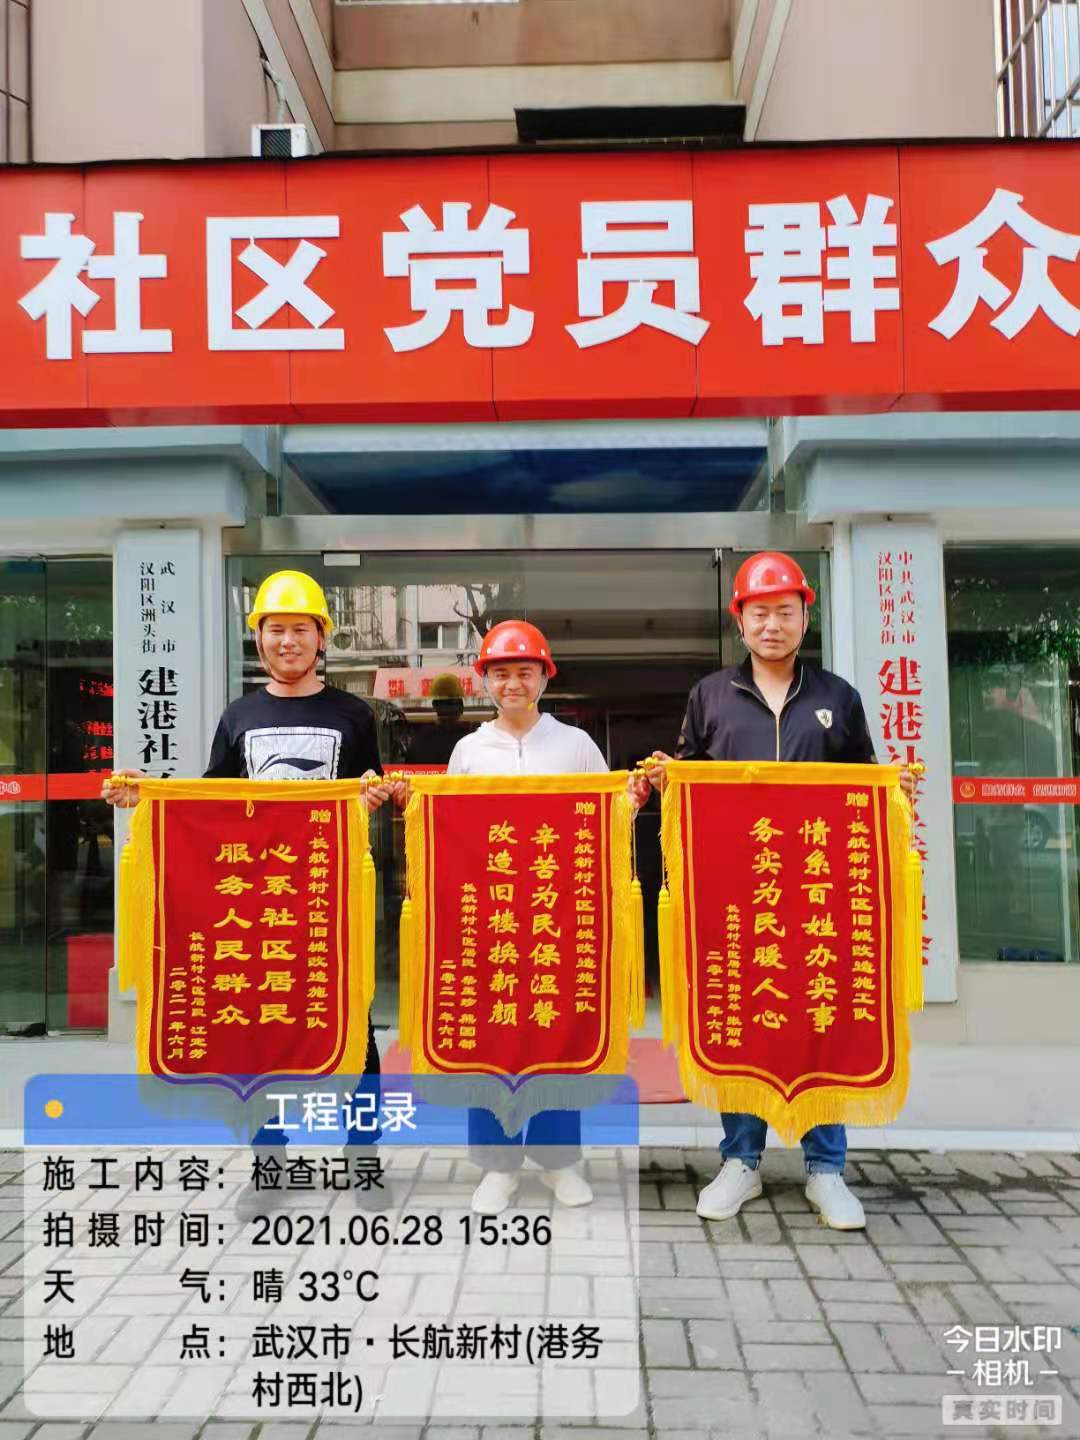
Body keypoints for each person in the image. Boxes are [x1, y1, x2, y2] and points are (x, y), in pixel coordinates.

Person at [102, 569, 399, 1214]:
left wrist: (373, 797)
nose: (288, 641)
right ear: (258, 638)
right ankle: (270, 1167)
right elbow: (209, 799)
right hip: (258, 905)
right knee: (263, 1033)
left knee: (356, 1029)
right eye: (275, 629)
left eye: (300, 629)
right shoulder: (240, 716)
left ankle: (363, 1161)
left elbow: (366, 791)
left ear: (321, 637)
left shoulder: (353, 714)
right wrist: (145, 795)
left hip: (328, 901)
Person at [640, 551, 915, 1232]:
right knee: (741, 1015)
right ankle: (741, 1161)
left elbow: (862, 785)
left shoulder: (837, 697)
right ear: (739, 620)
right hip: (738, 894)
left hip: (817, 893)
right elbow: (694, 782)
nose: (772, 625)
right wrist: (673, 777)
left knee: (820, 1015)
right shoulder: (710, 695)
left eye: (784, 612)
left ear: (804, 618)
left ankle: (826, 1168)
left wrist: (893, 791)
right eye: (759, 613)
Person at [447, 619, 608, 1215]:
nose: (512, 683)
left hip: (555, 921)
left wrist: (632, 799)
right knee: (489, 1039)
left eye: (524, 672)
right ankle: (497, 1165)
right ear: (484, 680)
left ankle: (560, 1159)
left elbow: (607, 822)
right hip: (488, 923)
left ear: (545, 677)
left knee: (555, 1035)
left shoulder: (576, 746)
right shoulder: (468, 752)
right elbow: (448, 834)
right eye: (500, 673)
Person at [406, 671, 474, 767]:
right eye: (449, 704)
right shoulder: (472, 739)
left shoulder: (421, 738)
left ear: (434, 706)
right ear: (461, 707)